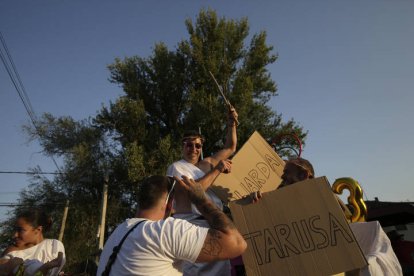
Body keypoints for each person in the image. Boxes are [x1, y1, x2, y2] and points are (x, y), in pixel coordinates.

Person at [96, 175, 247, 276]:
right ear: (170, 204)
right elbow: (237, 244)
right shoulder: (165, 231)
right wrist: (201, 199)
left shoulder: (117, 233)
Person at [166, 107, 238, 275]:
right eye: (189, 144)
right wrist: (218, 169)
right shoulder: (176, 167)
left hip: (217, 224)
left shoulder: (208, 163)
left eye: (197, 145)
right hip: (194, 225)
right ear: (182, 146)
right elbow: (194, 192)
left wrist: (231, 124)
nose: (194, 149)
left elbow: (231, 146)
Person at [0, 209, 65, 276]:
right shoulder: (12, 252)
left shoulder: (52, 245)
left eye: (21, 230)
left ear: (38, 230)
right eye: (15, 230)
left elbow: (52, 271)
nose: (15, 235)